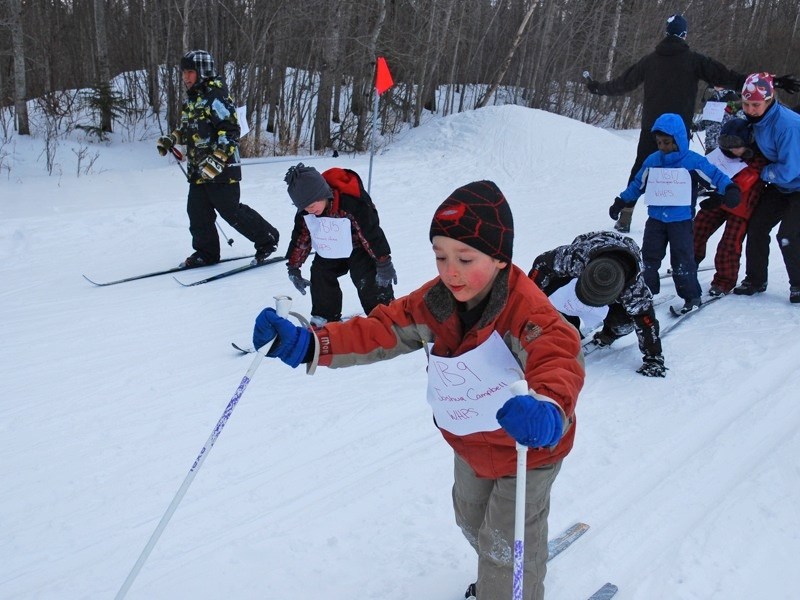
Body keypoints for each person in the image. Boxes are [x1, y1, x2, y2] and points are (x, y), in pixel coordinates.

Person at [251, 181, 584, 600]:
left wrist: (548, 406)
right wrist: (311, 343)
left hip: (528, 450)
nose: (451, 271)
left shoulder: (526, 310)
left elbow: (558, 355)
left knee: (505, 543)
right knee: (470, 520)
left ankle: (509, 585)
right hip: (471, 444)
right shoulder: (437, 301)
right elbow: (382, 328)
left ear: (500, 258)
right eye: (441, 257)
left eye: (465, 258)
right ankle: (500, 571)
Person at [585, 13, 800, 233]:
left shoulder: (649, 61)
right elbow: (730, 77)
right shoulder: (695, 60)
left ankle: (625, 215)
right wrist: (773, 81)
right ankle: (680, 223)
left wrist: (597, 87)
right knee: (683, 172)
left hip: (653, 129)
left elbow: (623, 83)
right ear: (684, 35)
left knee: (642, 167)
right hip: (678, 131)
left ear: (666, 33)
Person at [156, 50, 279, 268]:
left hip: (222, 170)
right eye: (184, 72)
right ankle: (206, 253)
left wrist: (216, 161)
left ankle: (267, 239)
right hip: (198, 170)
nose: (186, 77)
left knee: (230, 212)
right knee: (197, 213)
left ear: (203, 72)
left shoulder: (217, 97)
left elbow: (230, 131)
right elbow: (187, 130)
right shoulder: (194, 100)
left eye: (190, 72)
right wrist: (171, 139)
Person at [608, 112, 740, 313]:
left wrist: (729, 189)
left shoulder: (692, 161)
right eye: (660, 143)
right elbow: (638, 184)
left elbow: (714, 175)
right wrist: (621, 201)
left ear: (679, 140)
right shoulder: (653, 161)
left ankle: (691, 296)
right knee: (649, 258)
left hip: (681, 222)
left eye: (668, 142)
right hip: (656, 221)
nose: (663, 147)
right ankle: (646, 293)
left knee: (682, 259)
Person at [529, 231, 666, 377]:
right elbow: (541, 264)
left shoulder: (634, 291)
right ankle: (564, 325)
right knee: (549, 294)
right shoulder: (576, 258)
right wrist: (529, 300)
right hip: (589, 255)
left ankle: (609, 333)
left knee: (623, 324)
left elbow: (646, 322)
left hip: (620, 266)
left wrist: (653, 357)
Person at [283, 163, 396, 326]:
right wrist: (293, 268)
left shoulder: (350, 202)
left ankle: (384, 312)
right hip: (332, 249)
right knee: (320, 272)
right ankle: (325, 317)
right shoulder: (307, 212)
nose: (309, 211)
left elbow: (370, 232)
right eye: (305, 208)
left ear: (321, 194)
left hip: (360, 247)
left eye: (312, 206)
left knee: (366, 275)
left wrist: (383, 262)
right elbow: (301, 238)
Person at [733, 73, 800, 303]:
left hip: (794, 181)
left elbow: (790, 169)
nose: (750, 109)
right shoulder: (758, 120)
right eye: (746, 104)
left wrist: (760, 172)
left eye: (756, 105)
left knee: (788, 236)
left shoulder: (788, 125)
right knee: (757, 225)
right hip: (782, 185)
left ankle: (799, 285)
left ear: (769, 101)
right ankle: (755, 279)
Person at [693, 118, 768, 295]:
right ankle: (690, 262)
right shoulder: (722, 154)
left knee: (729, 243)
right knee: (698, 227)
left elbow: (743, 182)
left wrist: (721, 192)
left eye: (734, 146)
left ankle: (724, 280)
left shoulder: (756, 159)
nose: (730, 151)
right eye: (725, 145)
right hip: (719, 199)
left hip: (741, 206)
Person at [692, 87, 742, 154]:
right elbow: (706, 122)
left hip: (728, 148)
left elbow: (742, 120)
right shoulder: (711, 99)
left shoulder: (733, 98)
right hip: (710, 148)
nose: (717, 84)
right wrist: (696, 126)